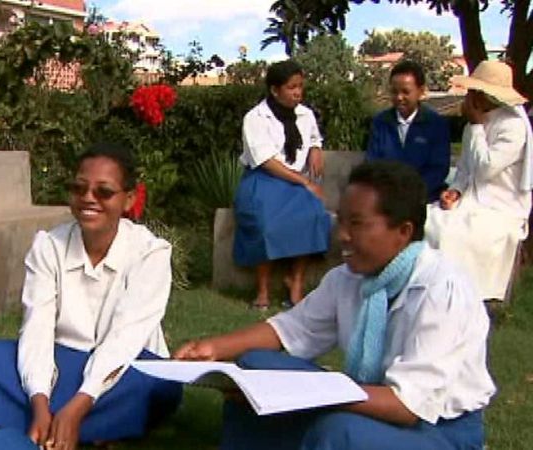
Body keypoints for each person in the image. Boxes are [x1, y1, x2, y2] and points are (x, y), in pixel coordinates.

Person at [176, 161, 495, 450]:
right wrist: (213, 348)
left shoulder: (441, 289)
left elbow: (407, 406)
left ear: (403, 232)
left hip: (436, 429)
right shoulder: (348, 278)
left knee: (340, 432)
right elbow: (291, 329)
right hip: (369, 399)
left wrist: (309, 393)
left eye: (356, 223)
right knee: (255, 366)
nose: (342, 235)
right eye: (341, 220)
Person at [0, 143, 182, 450]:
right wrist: (39, 401)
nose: (89, 198)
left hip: (126, 366)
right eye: (79, 188)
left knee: (157, 383)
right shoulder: (48, 246)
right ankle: (68, 424)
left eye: (104, 192)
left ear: (129, 199)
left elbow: (125, 340)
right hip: (61, 361)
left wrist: (79, 406)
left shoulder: (151, 253)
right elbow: (37, 329)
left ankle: (53, 421)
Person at [426, 60, 533, 301]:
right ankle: (431, 288)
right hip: (470, 201)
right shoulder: (471, 127)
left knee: (452, 233)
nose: (470, 96)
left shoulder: (512, 127)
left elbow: (486, 169)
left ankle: (460, 292)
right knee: (428, 220)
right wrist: (455, 191)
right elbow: (465, 170)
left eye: (475, 91)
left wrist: (476, 126)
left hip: (500, 206)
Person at [234, 59, 331, 309]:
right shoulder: (255, 118)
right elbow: (266, 161)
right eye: (291, 87)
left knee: (314, 214)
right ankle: (263, 290)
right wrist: (305, 182)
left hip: (294, 182)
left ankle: (295, 282)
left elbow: (314, 137)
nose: (298, 92)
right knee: (265, 223)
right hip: (263, 179)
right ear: (275, 90)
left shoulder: (305, 114)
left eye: (300, 86)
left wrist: (316, 148)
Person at [366, 60, 451, 202]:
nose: (399, 97)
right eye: (394, 92)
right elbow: (372, 164)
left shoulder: (436, 124)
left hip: (424, 198)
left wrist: (412, 193)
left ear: (420, 91)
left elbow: (438, 169)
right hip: (387, 199)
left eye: (405, 92)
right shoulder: (380, 122)